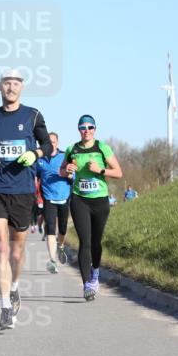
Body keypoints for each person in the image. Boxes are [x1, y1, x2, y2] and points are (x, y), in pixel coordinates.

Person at [0, 68, 52, 330]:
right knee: (2, 247)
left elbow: (48, 145)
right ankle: (5, 307)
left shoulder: (33, 115)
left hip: (23, 190)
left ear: (22, 87)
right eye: (7, 83)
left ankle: (14, 287)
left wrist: (35, 154)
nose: (11, 87)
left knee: (17, 252)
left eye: (16, 83)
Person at [60, 115, 123, 301]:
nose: (86, 130)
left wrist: (100, 170)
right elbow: (61, 171)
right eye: (83, 127)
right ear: (78, 129)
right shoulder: (72, 149)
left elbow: (118, 172)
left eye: (90, 127)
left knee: (96, 242)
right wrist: (67, 170)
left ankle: (95, 272)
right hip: (79, 199)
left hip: (100, 201)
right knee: (85, 242)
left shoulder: (102, 147)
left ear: (95, 129)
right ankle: (87, 284)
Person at [36, 132, 71, 273]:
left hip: (64, 197)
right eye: (49, 142)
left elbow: (73, 175)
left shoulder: (65, 157)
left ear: (57, 143)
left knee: (62, 229)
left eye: (54, 142)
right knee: (50, 227)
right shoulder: (40, 160)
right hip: (48, 198)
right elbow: (33, 176)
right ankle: (52, 260)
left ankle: (61, 246)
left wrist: (70, 174)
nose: (51, 145)